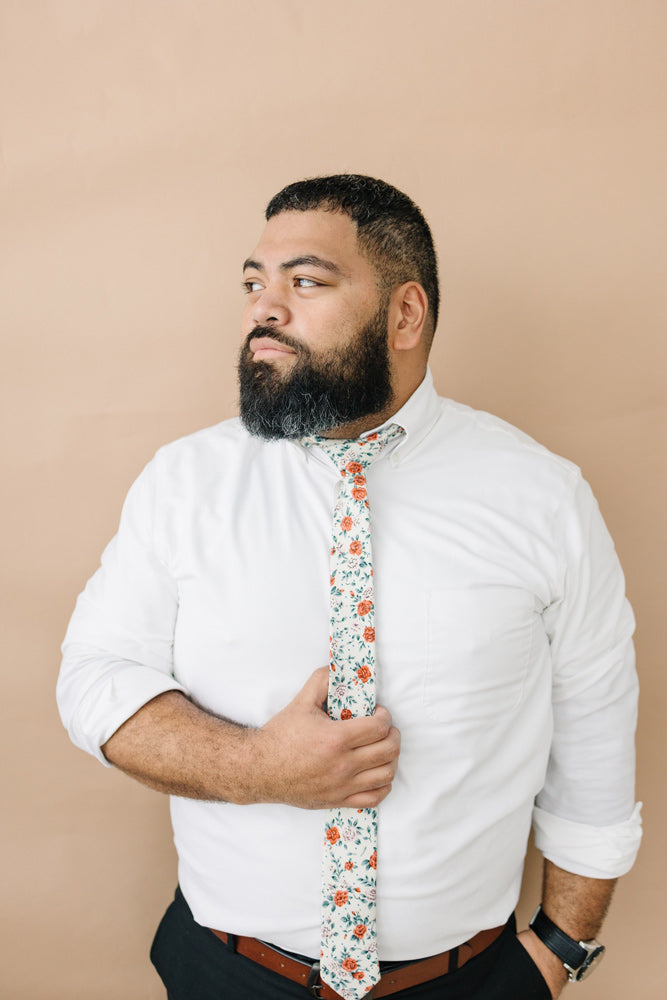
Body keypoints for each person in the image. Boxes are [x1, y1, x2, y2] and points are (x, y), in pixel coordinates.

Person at [57, 174, 641, 1000]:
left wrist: (559, 952)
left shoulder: (542, 498)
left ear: (405, 314)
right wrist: (257, 766)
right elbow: (94, 678)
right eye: (255, 283)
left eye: (307, 281)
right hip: (226, 972)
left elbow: (593, 739)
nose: (265, 307)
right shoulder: (184, 481)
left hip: (467, 983)